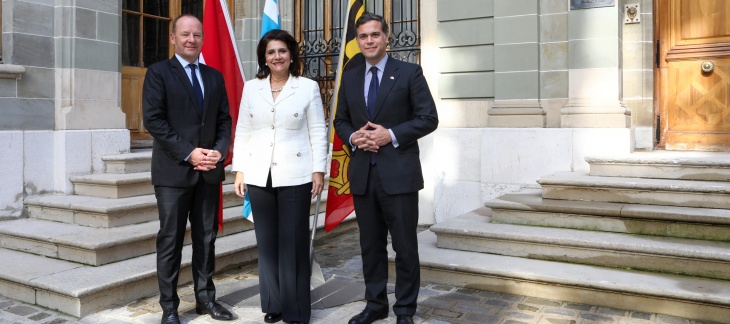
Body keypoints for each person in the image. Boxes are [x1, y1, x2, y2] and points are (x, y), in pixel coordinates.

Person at [333, 13, 439, 324]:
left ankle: (405, 309)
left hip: (399, 176)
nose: (369, 41)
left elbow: (428, 118)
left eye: (374, 35)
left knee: (405, 248)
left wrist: (389, 135)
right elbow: (340, 120)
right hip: (364, 175)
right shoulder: (350, 77)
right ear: (358, 40)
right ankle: (375, 305)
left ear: (386, 37)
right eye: (363, 36)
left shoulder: (409, 73)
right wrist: (354, 137)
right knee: (370, 247)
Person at [231, 29, 328, 324]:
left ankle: (297, 309)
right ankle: (273, 304)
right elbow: (244, 131)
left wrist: (318, 169)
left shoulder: (307, 87)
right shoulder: (251, 88)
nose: (277, 57)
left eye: (282, 51)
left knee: (294, 243)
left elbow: (317, 131)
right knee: (268, 243)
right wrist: (239, 170)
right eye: (271, 52)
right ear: (264, 57)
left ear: (291, 55)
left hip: (296, 174)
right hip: (259, 175)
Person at [142, 14, 234, 324]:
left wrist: (218, 152)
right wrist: (190, 153)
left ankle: (205, 299)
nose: (191, 39)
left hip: (209, 170)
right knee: (171, 239)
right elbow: (154, 120)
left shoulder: (214, 76)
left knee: (206, 238)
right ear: (173, 38)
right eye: (185, 34)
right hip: (173, 173)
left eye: (196, 34)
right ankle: (169, 307)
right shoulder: (158, 73)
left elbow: (224, 120)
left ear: (202, 39)